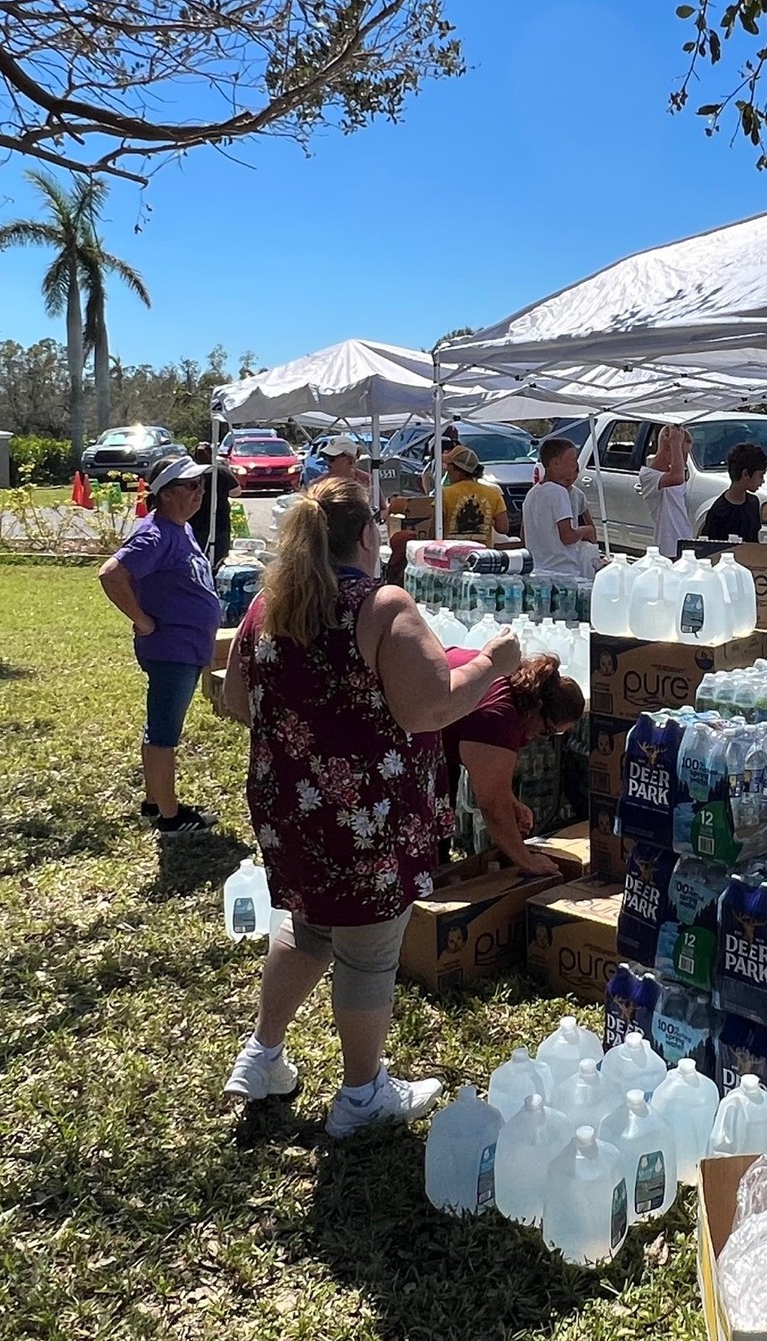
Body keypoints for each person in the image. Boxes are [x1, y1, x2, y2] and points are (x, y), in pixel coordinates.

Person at [218, 477, 521, 1133]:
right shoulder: (383, 605)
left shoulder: (271, 605)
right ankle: (361, 1095)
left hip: (289, 805)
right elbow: (429, 706)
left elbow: (237, 700)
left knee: (306, 926)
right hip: (367, 817)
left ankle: (262, 1054)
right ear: (364, 535)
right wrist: (494, 662)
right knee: (368, 952)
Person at [99, 455, 224, 831]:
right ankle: (171, 817)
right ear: (165, 494)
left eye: (201, 485)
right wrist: (142, 620)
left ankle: (155, 801)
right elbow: (111, 574)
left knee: (160, 726)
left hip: (184, 648)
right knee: (164, 733)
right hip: (171, 649)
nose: (200, 492)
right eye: (191, 486)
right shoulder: (154, 533)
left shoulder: (179, 528)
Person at [442, 648, 586, 875]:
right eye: (548, 731)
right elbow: (491, 802)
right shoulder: (500, 716)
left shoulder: (512, 681)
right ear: (538, 708)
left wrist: (512, 802)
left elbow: (489, 778)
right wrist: (527, 860)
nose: (538, 738)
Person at [384, 437, 510, 583]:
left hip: (450, 561)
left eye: (449, 465)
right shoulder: (493, 493)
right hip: (482, 559)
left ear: (459, 469)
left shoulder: (444, 494)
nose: (446, 469)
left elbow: (433, 533)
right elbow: (503, 528)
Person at [522, 436, 600, 578]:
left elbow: (524, 535)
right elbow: (567, 536)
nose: (576, 464)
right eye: (572, 459)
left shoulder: (532, 493)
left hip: (537, 569)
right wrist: (585, 530)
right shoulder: (558, 492)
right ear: (555, 463)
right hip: (562, 572)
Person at [699, 442, 767, 544]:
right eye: (761, 475)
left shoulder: (753, 502)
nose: (762, 481)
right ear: (746, 474)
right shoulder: (718, 511)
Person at [637, 424, 692, 556]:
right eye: (683, 453)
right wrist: (675, 445)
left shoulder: (672, 472)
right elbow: (677, 478)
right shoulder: (648, 475)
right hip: (668, 545)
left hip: (684, 541)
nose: (684, 459)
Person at [190, 441, 239, 575]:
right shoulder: (221, 471)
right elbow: (236, 491)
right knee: (219, 559)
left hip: (195, 521)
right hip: (219, 521)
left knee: (196, 558)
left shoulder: (191, 473)